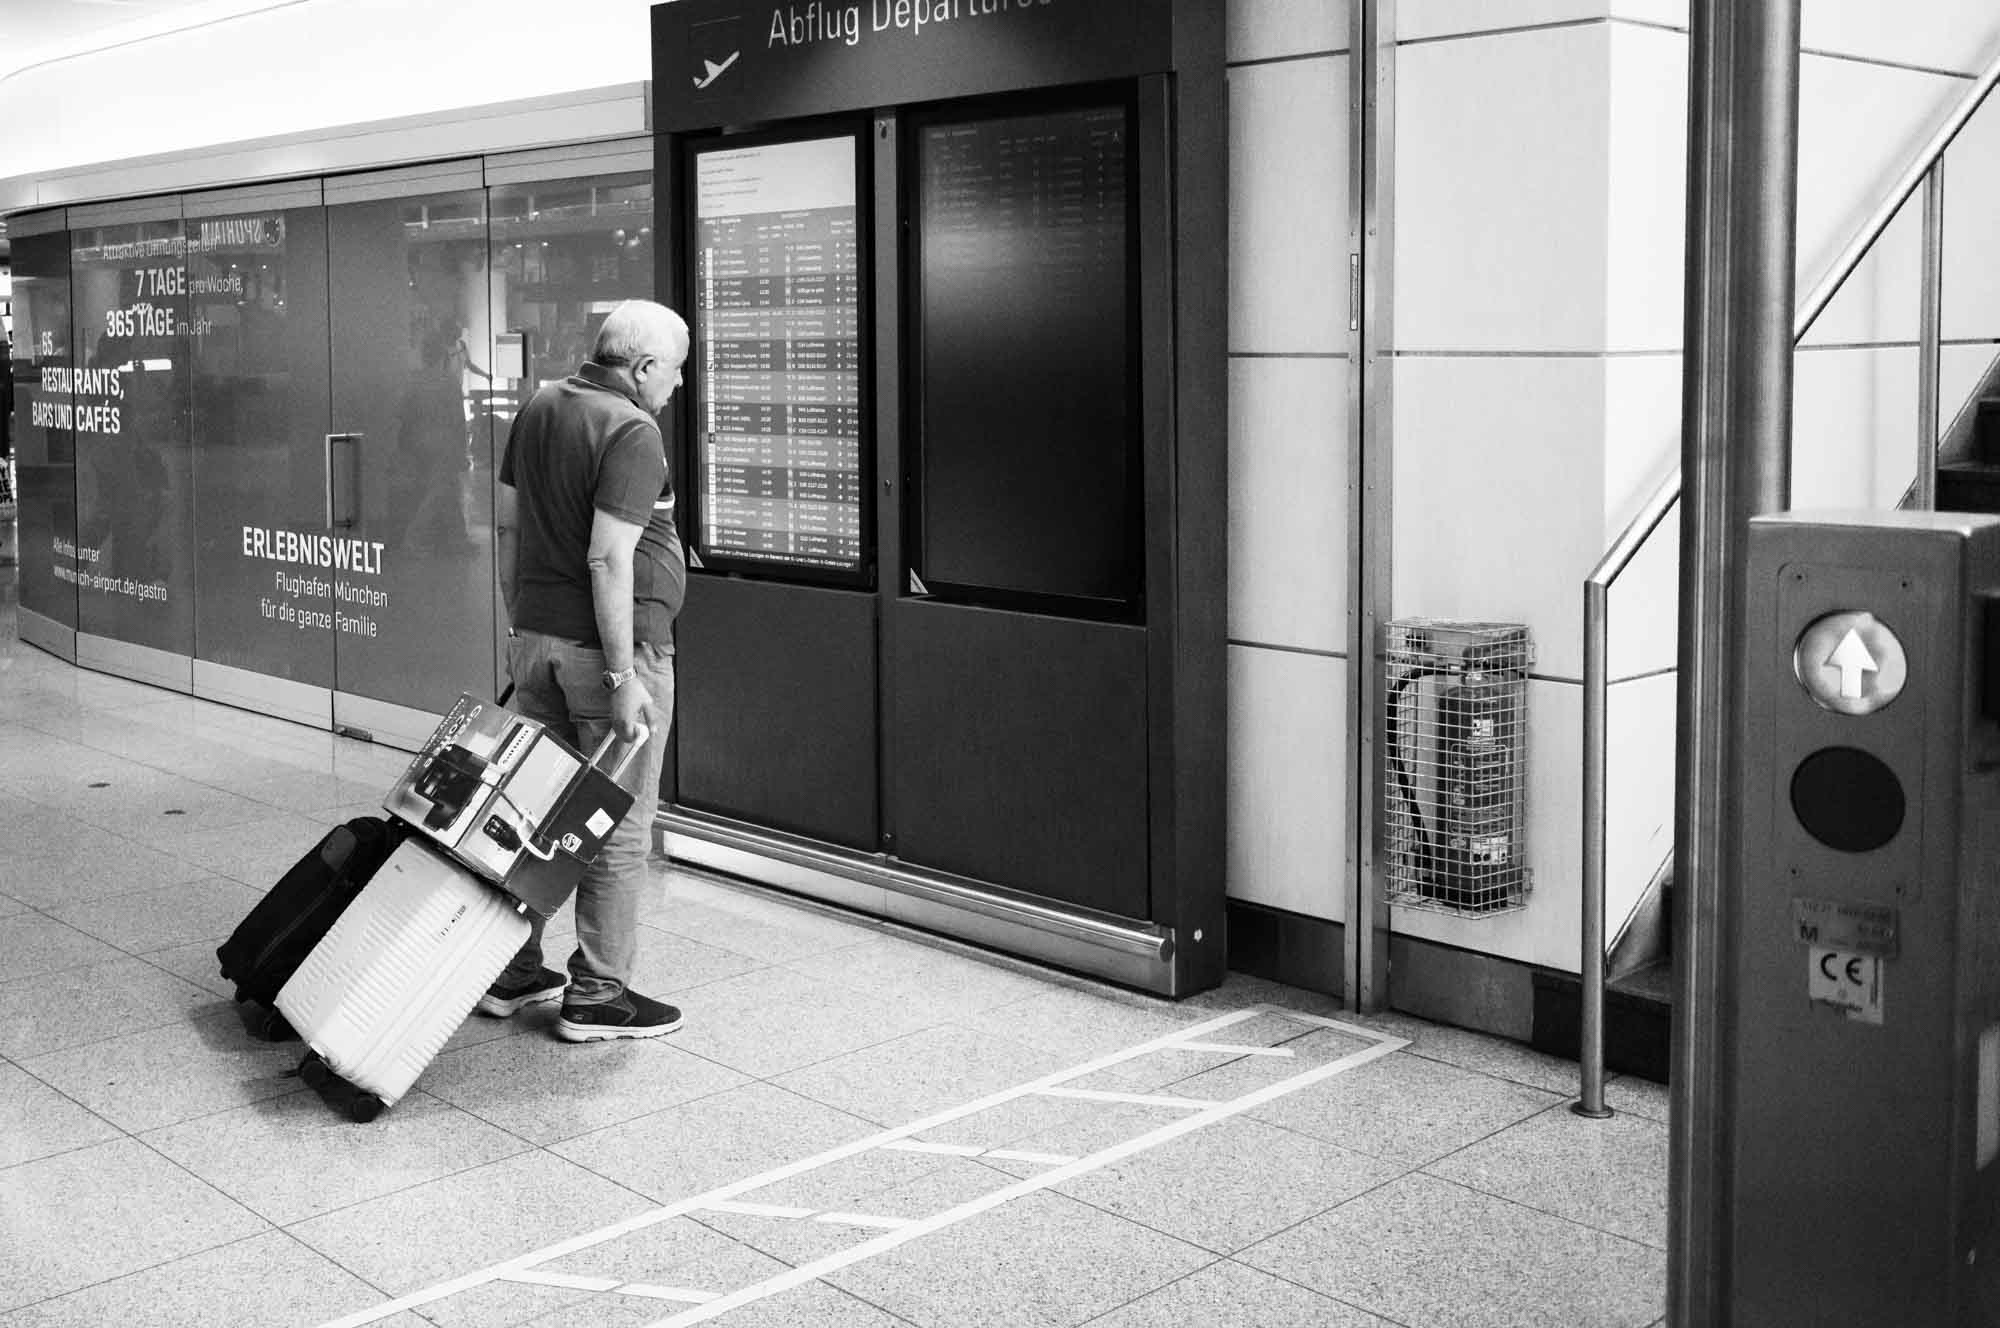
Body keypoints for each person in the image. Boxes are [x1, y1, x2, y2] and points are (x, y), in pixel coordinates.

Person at [478, 299, 690, 1042]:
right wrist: (624, 675)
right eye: (674, 370)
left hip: (537, 644)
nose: (678, 385)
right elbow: (608, 558)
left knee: (536, 812)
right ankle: (599, 993)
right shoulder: (631, 430)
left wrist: (520, 625)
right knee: (616, 821)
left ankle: (511, 970)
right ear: (642, 367)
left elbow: (507, 525)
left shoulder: (540, 405)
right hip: (607, 658)